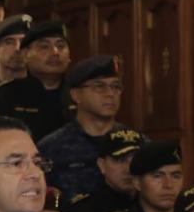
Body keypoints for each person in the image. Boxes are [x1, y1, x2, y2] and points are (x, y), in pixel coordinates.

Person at [38, 55, 128, 199]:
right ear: (76, 95)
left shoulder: (137, 144)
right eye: (99, 86)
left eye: (116, 86)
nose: (110, 94)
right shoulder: (51, 148)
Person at [0, 20, 72, 140]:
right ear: (25, 55)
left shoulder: (81, 93)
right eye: (44, 47)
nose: (55, 52)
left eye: (61, 46)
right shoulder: (5, 96)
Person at [64, 128, 142, 212]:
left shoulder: (157, 204)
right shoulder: (80, 210)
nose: (128, 169)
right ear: (102, 165)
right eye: (120, 160)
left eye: (135, 160)